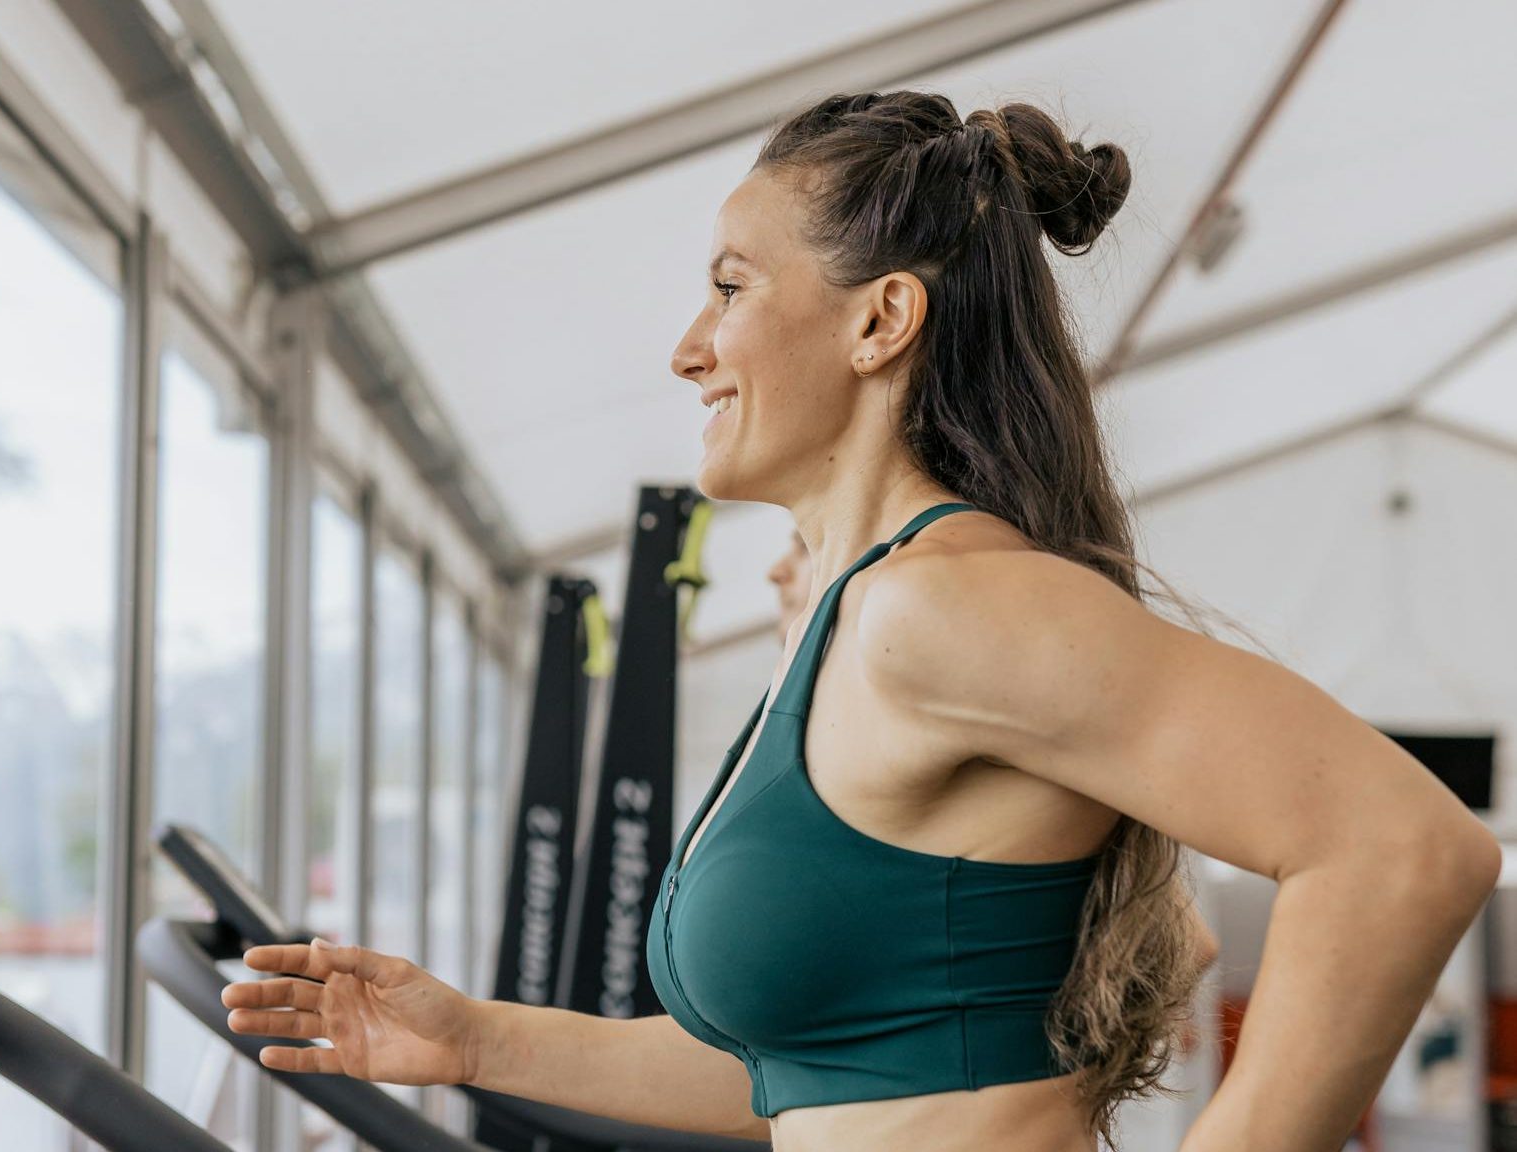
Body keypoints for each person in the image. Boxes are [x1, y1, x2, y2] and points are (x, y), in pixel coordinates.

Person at [221, 91, 1500, 1152]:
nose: (687, 349)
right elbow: (813, 1081)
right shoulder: (850, 626)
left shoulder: (943, 608)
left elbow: (1403, 849)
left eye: (728, 288)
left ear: (881, 320)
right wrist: (472, 1041)